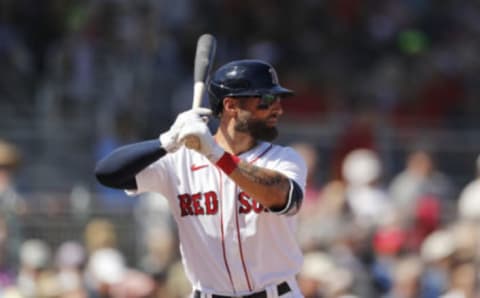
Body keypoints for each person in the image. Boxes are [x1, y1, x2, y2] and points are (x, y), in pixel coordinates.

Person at [95, 59, 307, 298]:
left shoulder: (284, 159)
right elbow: (108, 173)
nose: (278, 108)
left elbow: (284, 199)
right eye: (267, 100)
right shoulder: (179, 161)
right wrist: (167, 141)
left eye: (278, 100)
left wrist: (215, 154)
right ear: (231, 105)